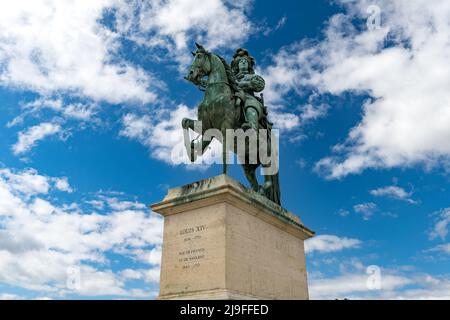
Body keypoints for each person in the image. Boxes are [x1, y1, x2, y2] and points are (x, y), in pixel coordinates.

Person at [231, 48, 266, 131]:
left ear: (249, 65)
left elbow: (260, 85)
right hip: (234, 97)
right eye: (240, 62)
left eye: (245, 61)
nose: (243, 62)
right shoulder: (232, 78)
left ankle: (252, 129)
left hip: (249, 98)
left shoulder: (253, 77)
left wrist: (241, 84)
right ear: (237, 65)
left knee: (250, 107)